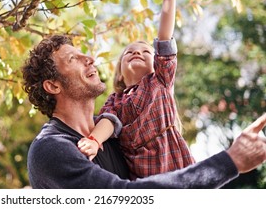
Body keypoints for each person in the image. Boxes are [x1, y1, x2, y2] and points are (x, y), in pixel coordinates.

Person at [21, 34, 266, 189]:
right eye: (73, 59)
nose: (90, 58)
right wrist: (229, 161)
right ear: (53, 85)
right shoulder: (51, 148)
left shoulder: (118, 136)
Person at [77, 0, 195, 179]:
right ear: (120, 73)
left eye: (145, 51)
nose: (136, 52)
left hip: (176, 167)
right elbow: (109, 121)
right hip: (143, 177)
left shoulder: (160, 81)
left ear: (156, 64)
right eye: (129, 52)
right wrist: (94, 140)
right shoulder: (116, 100)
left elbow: (164, 40)